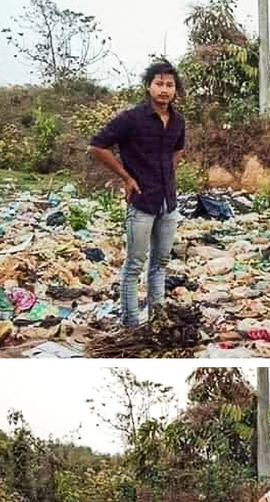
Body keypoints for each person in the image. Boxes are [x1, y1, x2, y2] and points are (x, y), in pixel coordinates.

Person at [87, 61, 186, 327]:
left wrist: (168, 172)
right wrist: (127, 177)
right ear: (148, 86)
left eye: (169, 85)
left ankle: (157, 318)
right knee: (134, 266)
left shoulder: (177, 121)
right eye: (159, 84)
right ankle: (130, 322)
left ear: (175, 90)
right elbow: (97, 146)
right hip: (142, 202)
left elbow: (178, 149)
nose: (164, 90)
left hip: (168, 203)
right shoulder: (131, 119)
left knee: (161, 263)